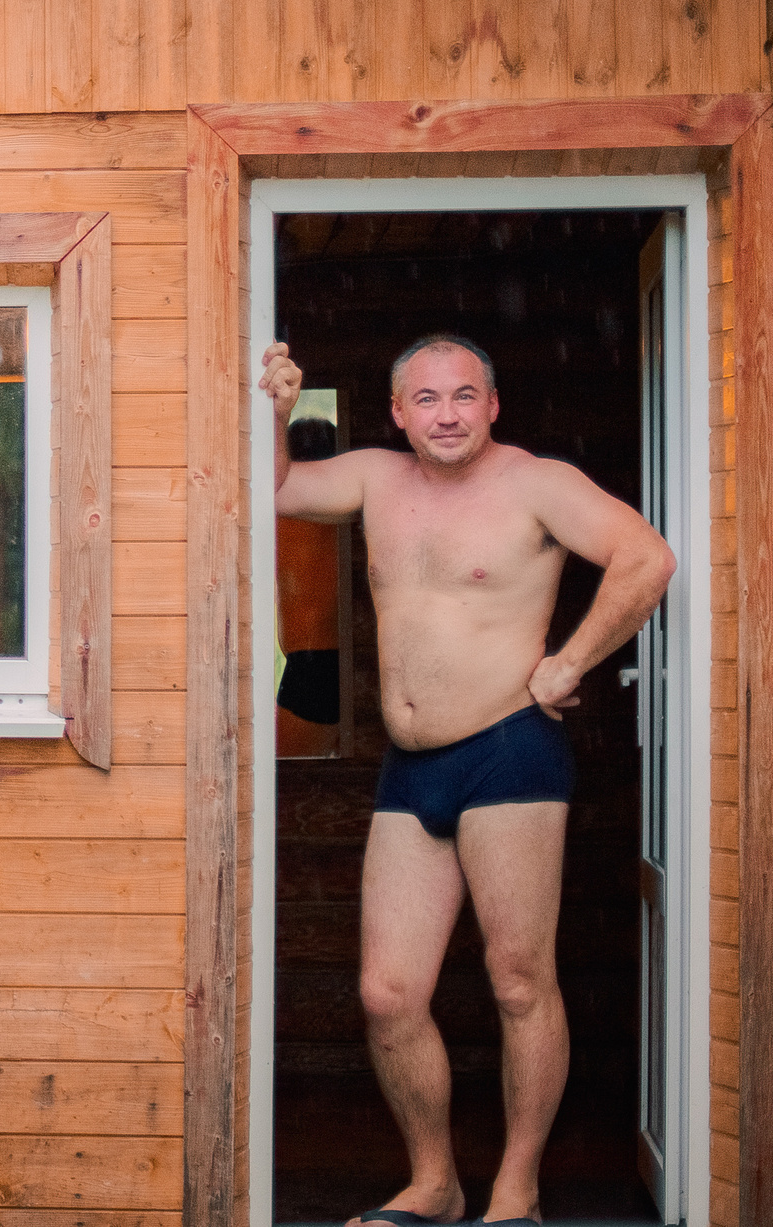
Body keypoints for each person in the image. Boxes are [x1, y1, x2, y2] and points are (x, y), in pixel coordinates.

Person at [258, 332, 675, 1227]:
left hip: (508, 751)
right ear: (397, 412)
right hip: (411, 766)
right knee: (388, 993)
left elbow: (647, 558)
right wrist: (279, 412)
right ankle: (436, 1183)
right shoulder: (375, 477)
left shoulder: (538, 484)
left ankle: (516, 1190)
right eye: (426, 399)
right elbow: (278, 486)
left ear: (493, 405)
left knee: (520, 979)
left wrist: (570, 661)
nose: (445, 414)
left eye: (463, 395)